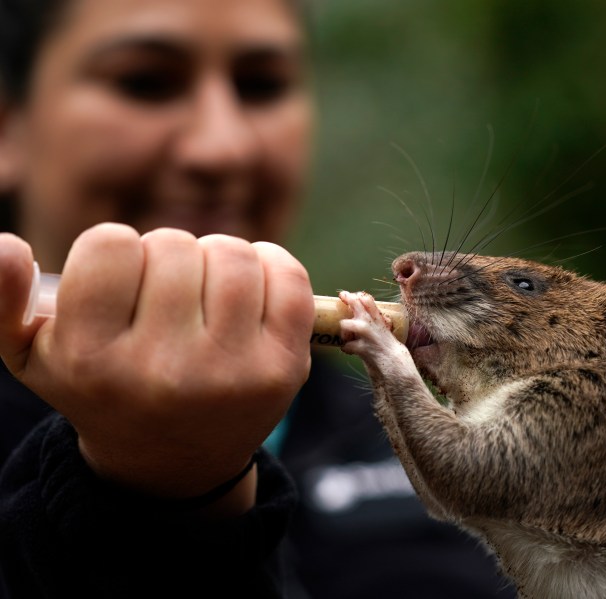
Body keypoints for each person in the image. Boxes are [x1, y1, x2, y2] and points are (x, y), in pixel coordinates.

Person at [0, 0, 514, 596]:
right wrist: (153, 500)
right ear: (9, 124)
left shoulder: (420, 455)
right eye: (143, 82)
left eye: (262, 86)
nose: (223, 148)